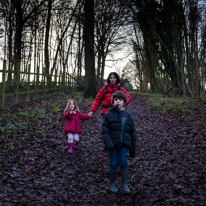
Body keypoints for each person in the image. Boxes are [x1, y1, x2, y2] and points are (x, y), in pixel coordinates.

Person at [102, 91, 136, 194]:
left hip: (123, 144)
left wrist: (133, 150)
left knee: (123, 162)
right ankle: (112, 183)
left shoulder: (128, 115)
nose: (118, 102)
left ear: (124, 102)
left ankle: (124, 184)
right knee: (113, 163)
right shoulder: (108, 115)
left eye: (120, 100)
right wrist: (108, 144)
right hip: (112, 144)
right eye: (116, 100)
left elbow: (133, 134)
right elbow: (104, 131)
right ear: (113, 101)